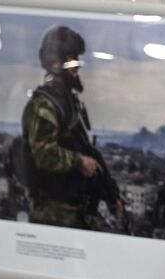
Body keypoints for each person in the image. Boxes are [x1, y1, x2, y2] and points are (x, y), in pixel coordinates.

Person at [20, 25, 124, 230]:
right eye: (73, 60)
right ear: (57, 64)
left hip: (74, 207)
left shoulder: (68, 102)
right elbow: (43, 153)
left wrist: (111, 196)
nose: (77, 67)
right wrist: (79, 162)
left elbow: (82, 149)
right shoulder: (45, 104)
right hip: (53, 211)